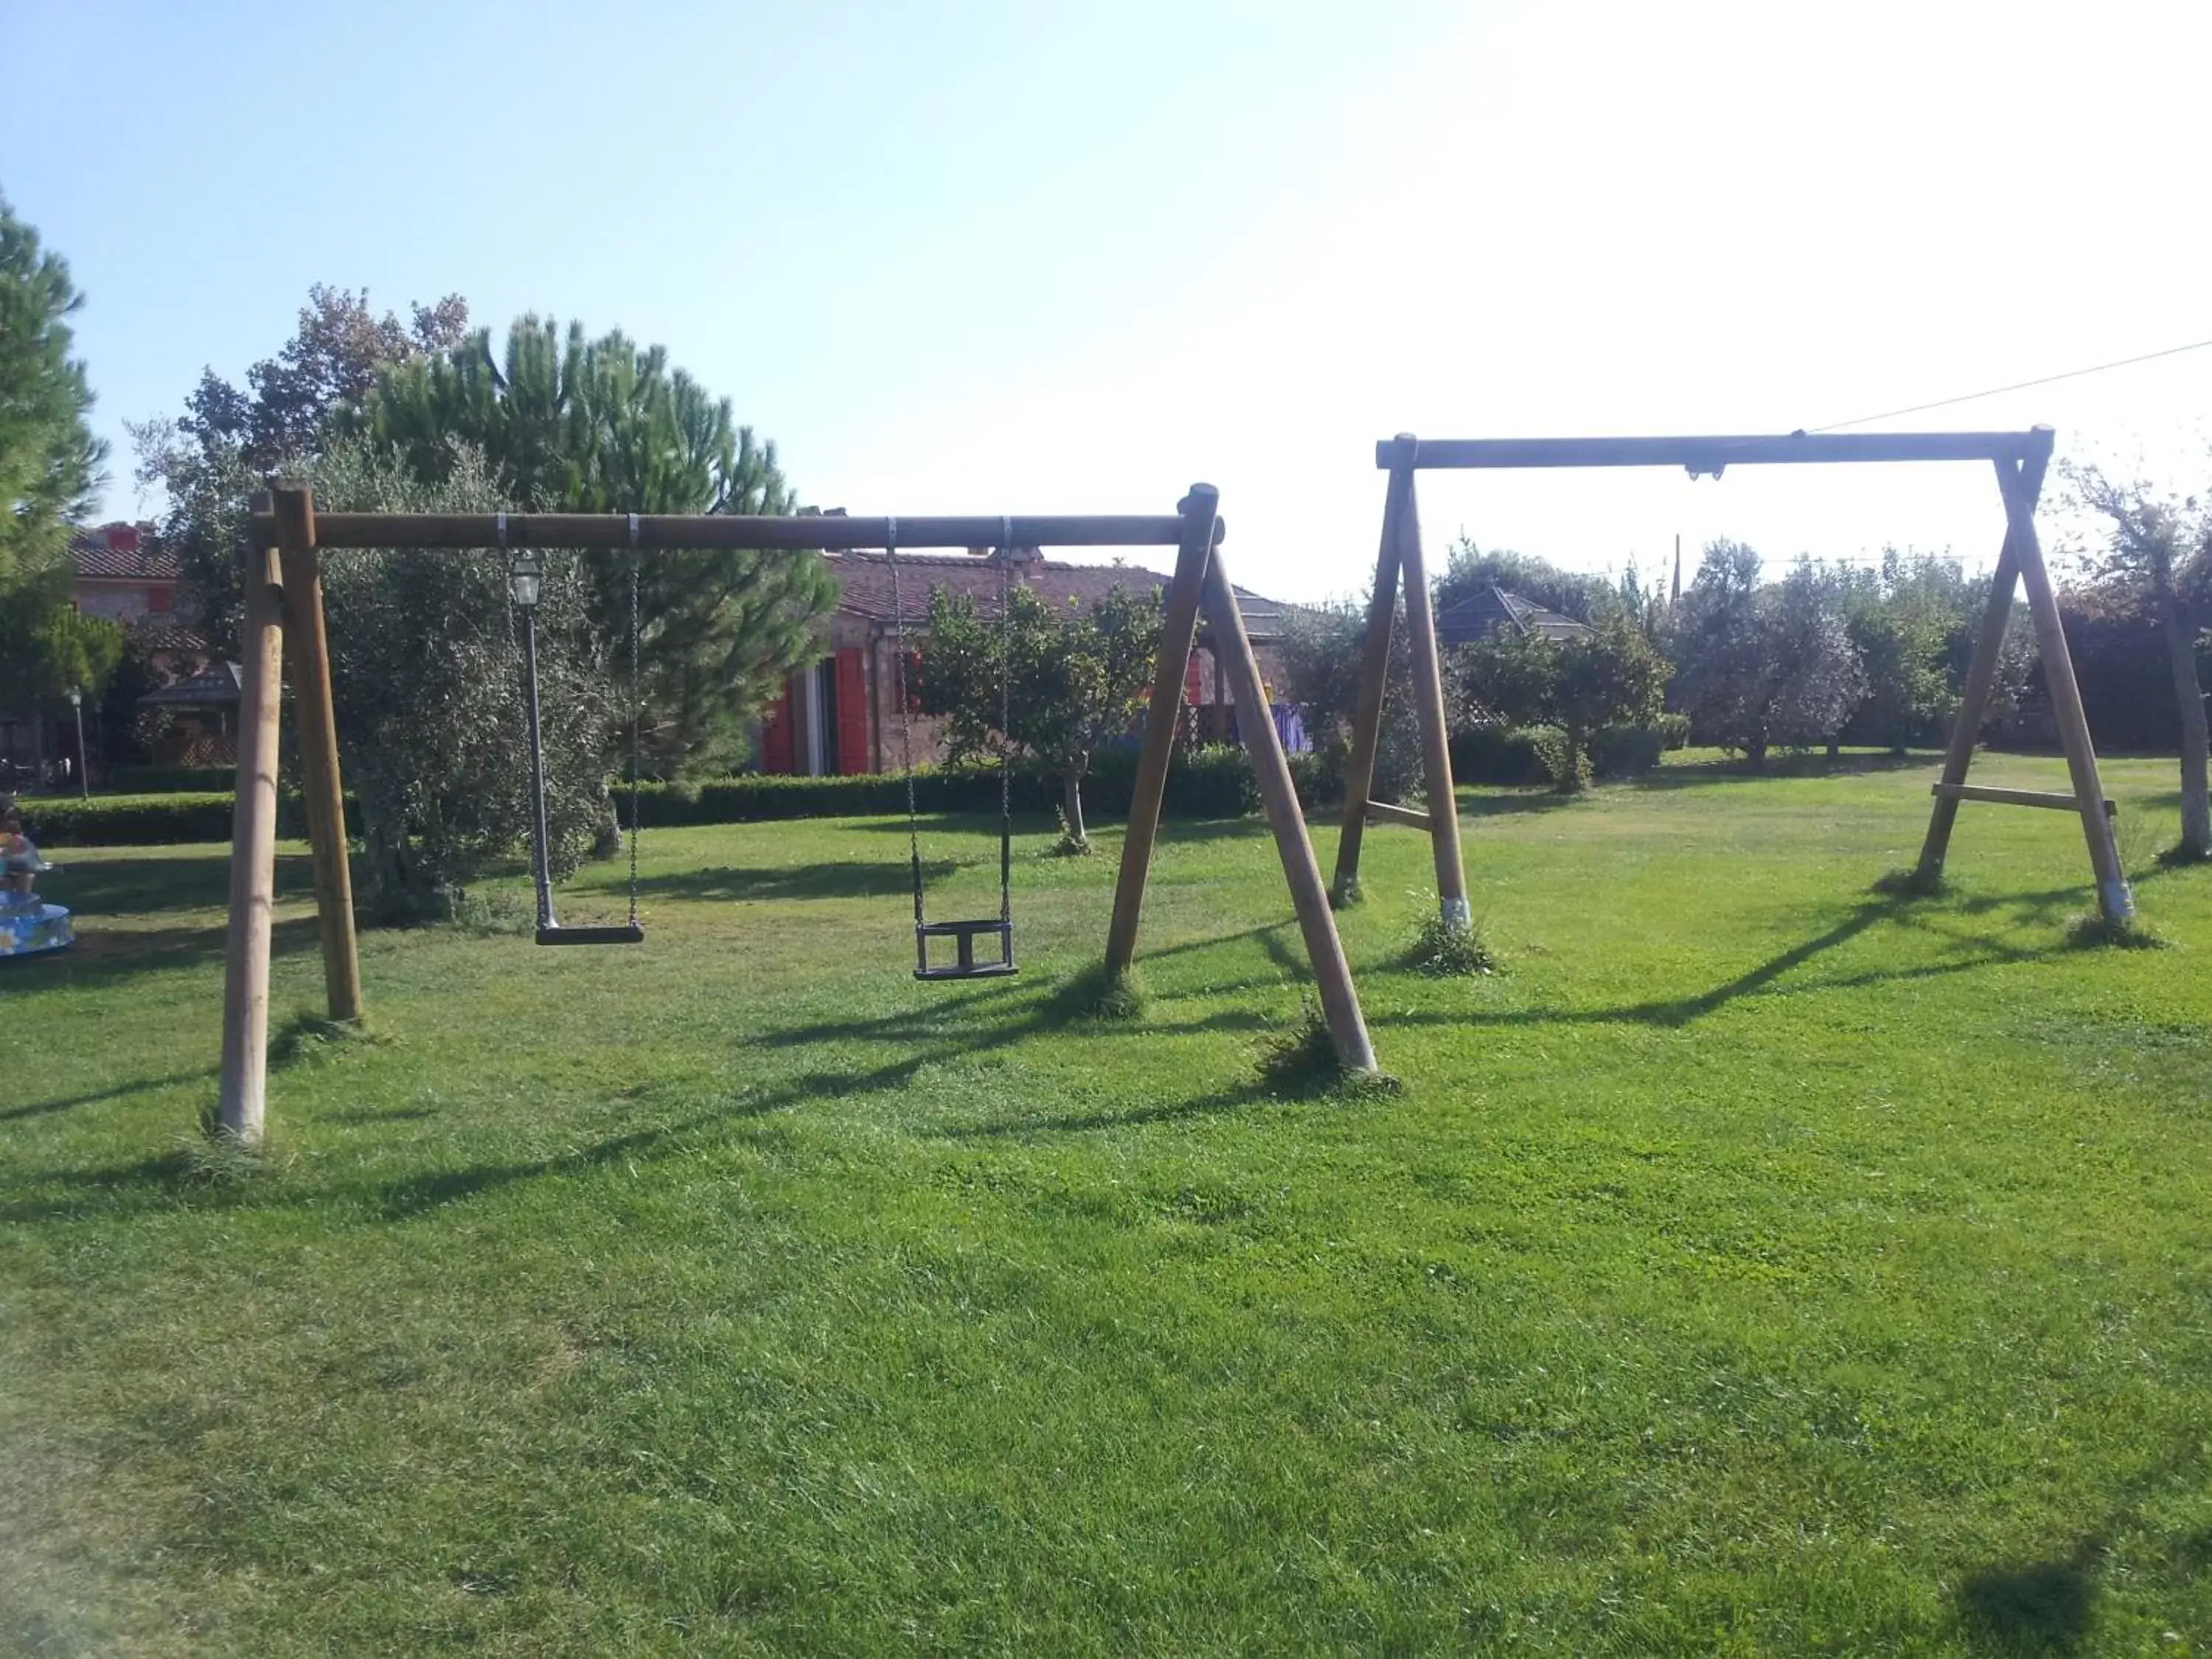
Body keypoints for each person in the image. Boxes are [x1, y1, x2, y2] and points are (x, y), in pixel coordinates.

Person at [2, 808, 43, 900]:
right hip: (14, 868)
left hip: (24, 869)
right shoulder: (13, 838)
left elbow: (9, 851)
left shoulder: (17, 839)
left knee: (21, 893)